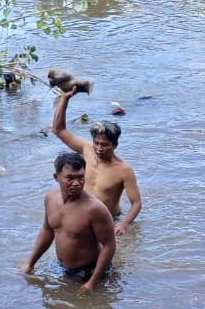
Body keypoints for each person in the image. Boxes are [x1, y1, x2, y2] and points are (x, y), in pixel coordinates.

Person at [21, 152, 117, 292]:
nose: (76, 183)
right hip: (63, 268)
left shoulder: (94, 209)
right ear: (56, 177)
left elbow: (109, 245)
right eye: (70, 178)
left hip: (90, 271)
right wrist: (30, 263)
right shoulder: (50, 199)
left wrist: (91, 283)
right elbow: (47, 232)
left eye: (80, 177)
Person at [52, 88, 141, 235]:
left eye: (105, 145)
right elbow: (59, 130)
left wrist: (123, 225)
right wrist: (65, 99)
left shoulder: (124, 170)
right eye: (96, 143)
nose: (99, 148)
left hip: (108, 218)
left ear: (115, 145)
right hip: (82, 212)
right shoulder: (87, 149)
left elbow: (136, 203)